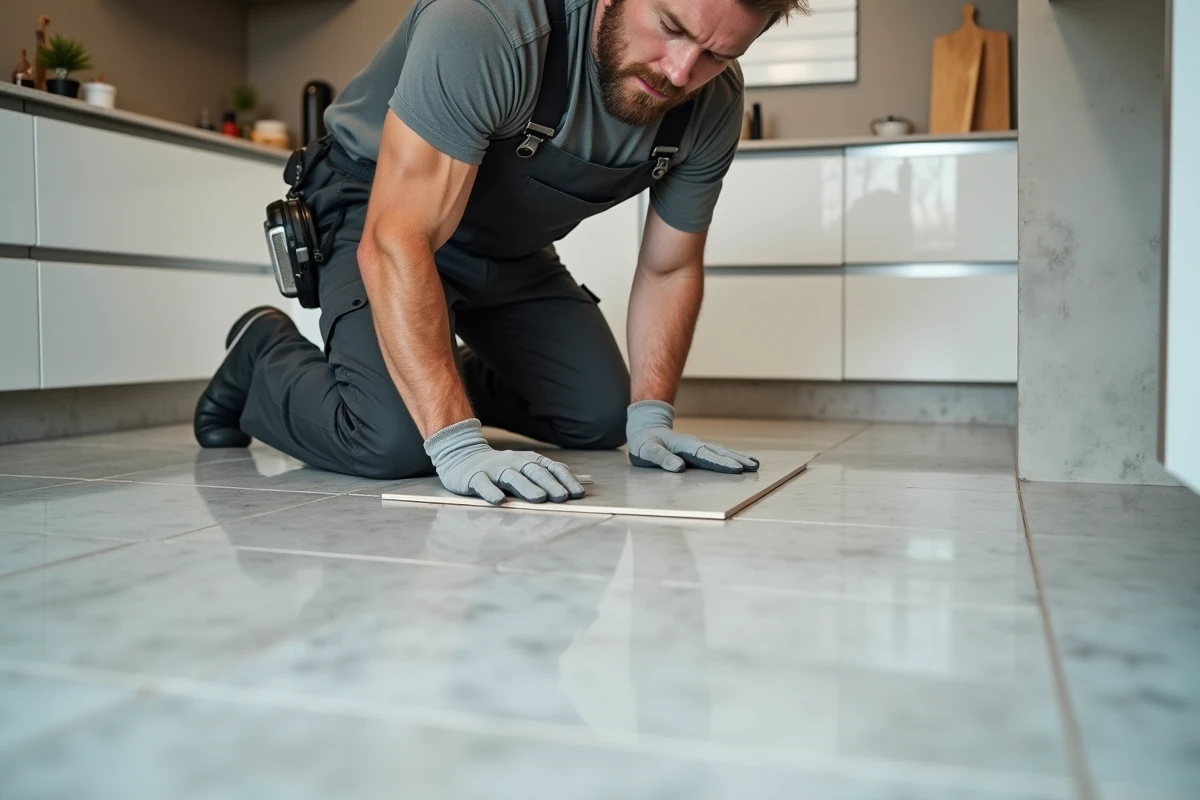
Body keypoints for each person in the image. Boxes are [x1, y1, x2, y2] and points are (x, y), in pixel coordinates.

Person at [194, 0, 808, 505]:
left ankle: (421, 366)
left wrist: (651, 415)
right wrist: (453, 438)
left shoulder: (713, 105)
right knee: (396, 444)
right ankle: (261, 355)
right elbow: (396, 238)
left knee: (599, 418)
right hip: (376, 210)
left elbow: (669, 266)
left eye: (718, 54)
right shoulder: (487, 24)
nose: (679, 72)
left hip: (506, 248)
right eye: (671, 27)